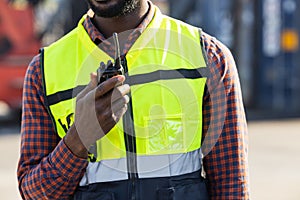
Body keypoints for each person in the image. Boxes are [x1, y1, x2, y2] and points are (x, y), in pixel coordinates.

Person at [17, 0, 250, 199]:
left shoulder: (207, 57)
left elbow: (232, 186)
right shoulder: (45, 71)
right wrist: (78, 139)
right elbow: (34, 194)